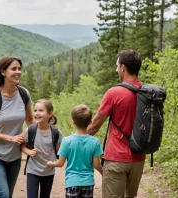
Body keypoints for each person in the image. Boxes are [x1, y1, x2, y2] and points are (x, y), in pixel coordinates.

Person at [87, 49, 145, 198]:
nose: (116, 69)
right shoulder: (147, 92)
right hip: (139, 158)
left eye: (117, 66)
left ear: (123, 68)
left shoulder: (114, 93)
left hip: (116, 158)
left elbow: (94, 126)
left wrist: (77, 138)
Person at [0, 56, 34, 198]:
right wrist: (11, 138)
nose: (18, 72)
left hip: (15, 156)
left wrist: (46, 136)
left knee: (8, 195)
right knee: (3, 194)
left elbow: (30, 120)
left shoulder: (23, 94)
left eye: (19, 69)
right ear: (3, 72)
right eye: (14, 69)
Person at [47, 104, 103, 198]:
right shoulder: (95, 142)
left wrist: (50, 163)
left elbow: (60, 163)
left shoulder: (67, 141)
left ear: (73, 122)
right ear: (90, 122)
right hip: (88, 182)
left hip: (72, 182)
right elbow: (96, 164)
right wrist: (103, 173)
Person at [21, 99, 63, 198]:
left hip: (48, 172)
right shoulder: (30, 130)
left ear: (50, 114)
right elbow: (22, 146)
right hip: (33, 170)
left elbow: (59, 153)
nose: (37, 113)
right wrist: (29, 152)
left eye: (41, 110)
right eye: (35, 110)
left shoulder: (56, 133)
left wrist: (55, 162)